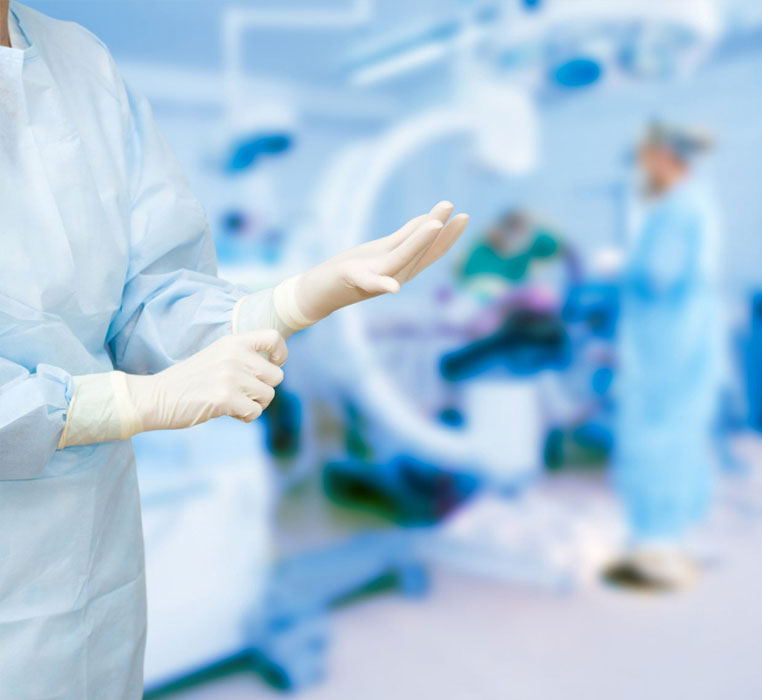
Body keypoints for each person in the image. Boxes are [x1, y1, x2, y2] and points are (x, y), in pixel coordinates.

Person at [0, 2, 469, 697]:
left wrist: (283, 304)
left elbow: (147, 287)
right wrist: (121, 403)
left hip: (91, 558)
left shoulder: (81, 62)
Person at [604, 121, 722, 591]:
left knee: (654, 435)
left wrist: (619, 268)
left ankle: (656, 550)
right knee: (683, 434)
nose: (642, 171)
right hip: (686, 340)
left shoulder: (675, 210)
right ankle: (680, 534)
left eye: (645, 161)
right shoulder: (697, 203)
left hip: (663, 347)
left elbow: (658, 276)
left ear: (664, 158)